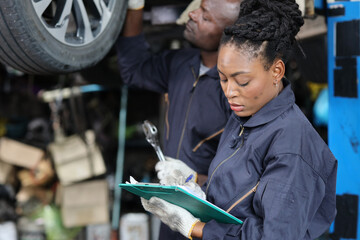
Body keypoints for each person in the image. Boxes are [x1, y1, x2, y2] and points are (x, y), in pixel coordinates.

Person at [141, 0, 338, 239]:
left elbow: (275, 236)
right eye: (223, 79)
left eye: (242, 81)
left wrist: (195, 227)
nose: (230, 91)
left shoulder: (292, 147)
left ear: (276, 71)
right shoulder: (242, 117)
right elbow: (236, 197)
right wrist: (194, 186)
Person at [116, 0, 242, 238]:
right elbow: (133, 69)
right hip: (173, 218)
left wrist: (193, 180)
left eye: (206, 18)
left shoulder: (235, 94)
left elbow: (242, 184)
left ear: (230, 36)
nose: (192, 14)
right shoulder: (181, 63)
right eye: (199, 7)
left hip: (207, 224)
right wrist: (135, 7)